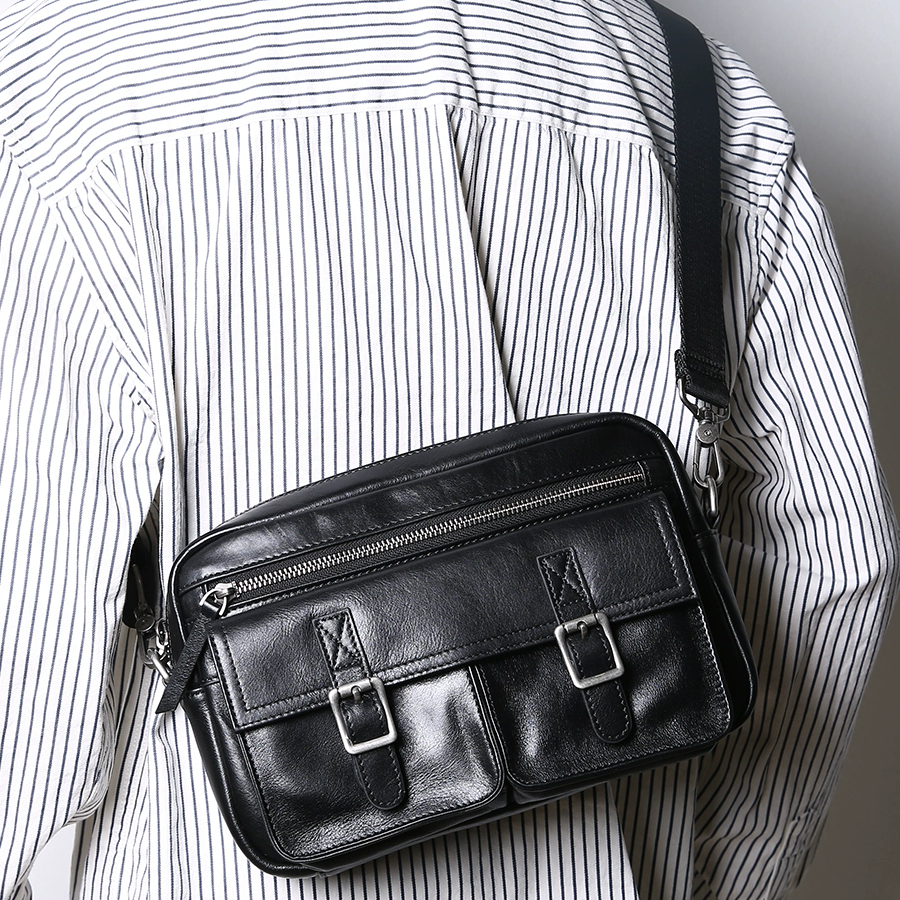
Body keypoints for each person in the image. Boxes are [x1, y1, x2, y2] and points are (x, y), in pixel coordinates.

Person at [0, 0, 896, 897]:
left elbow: (26, 672)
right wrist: (704, 877)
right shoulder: (687, 81)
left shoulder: (60, 87)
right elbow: (837, 559)